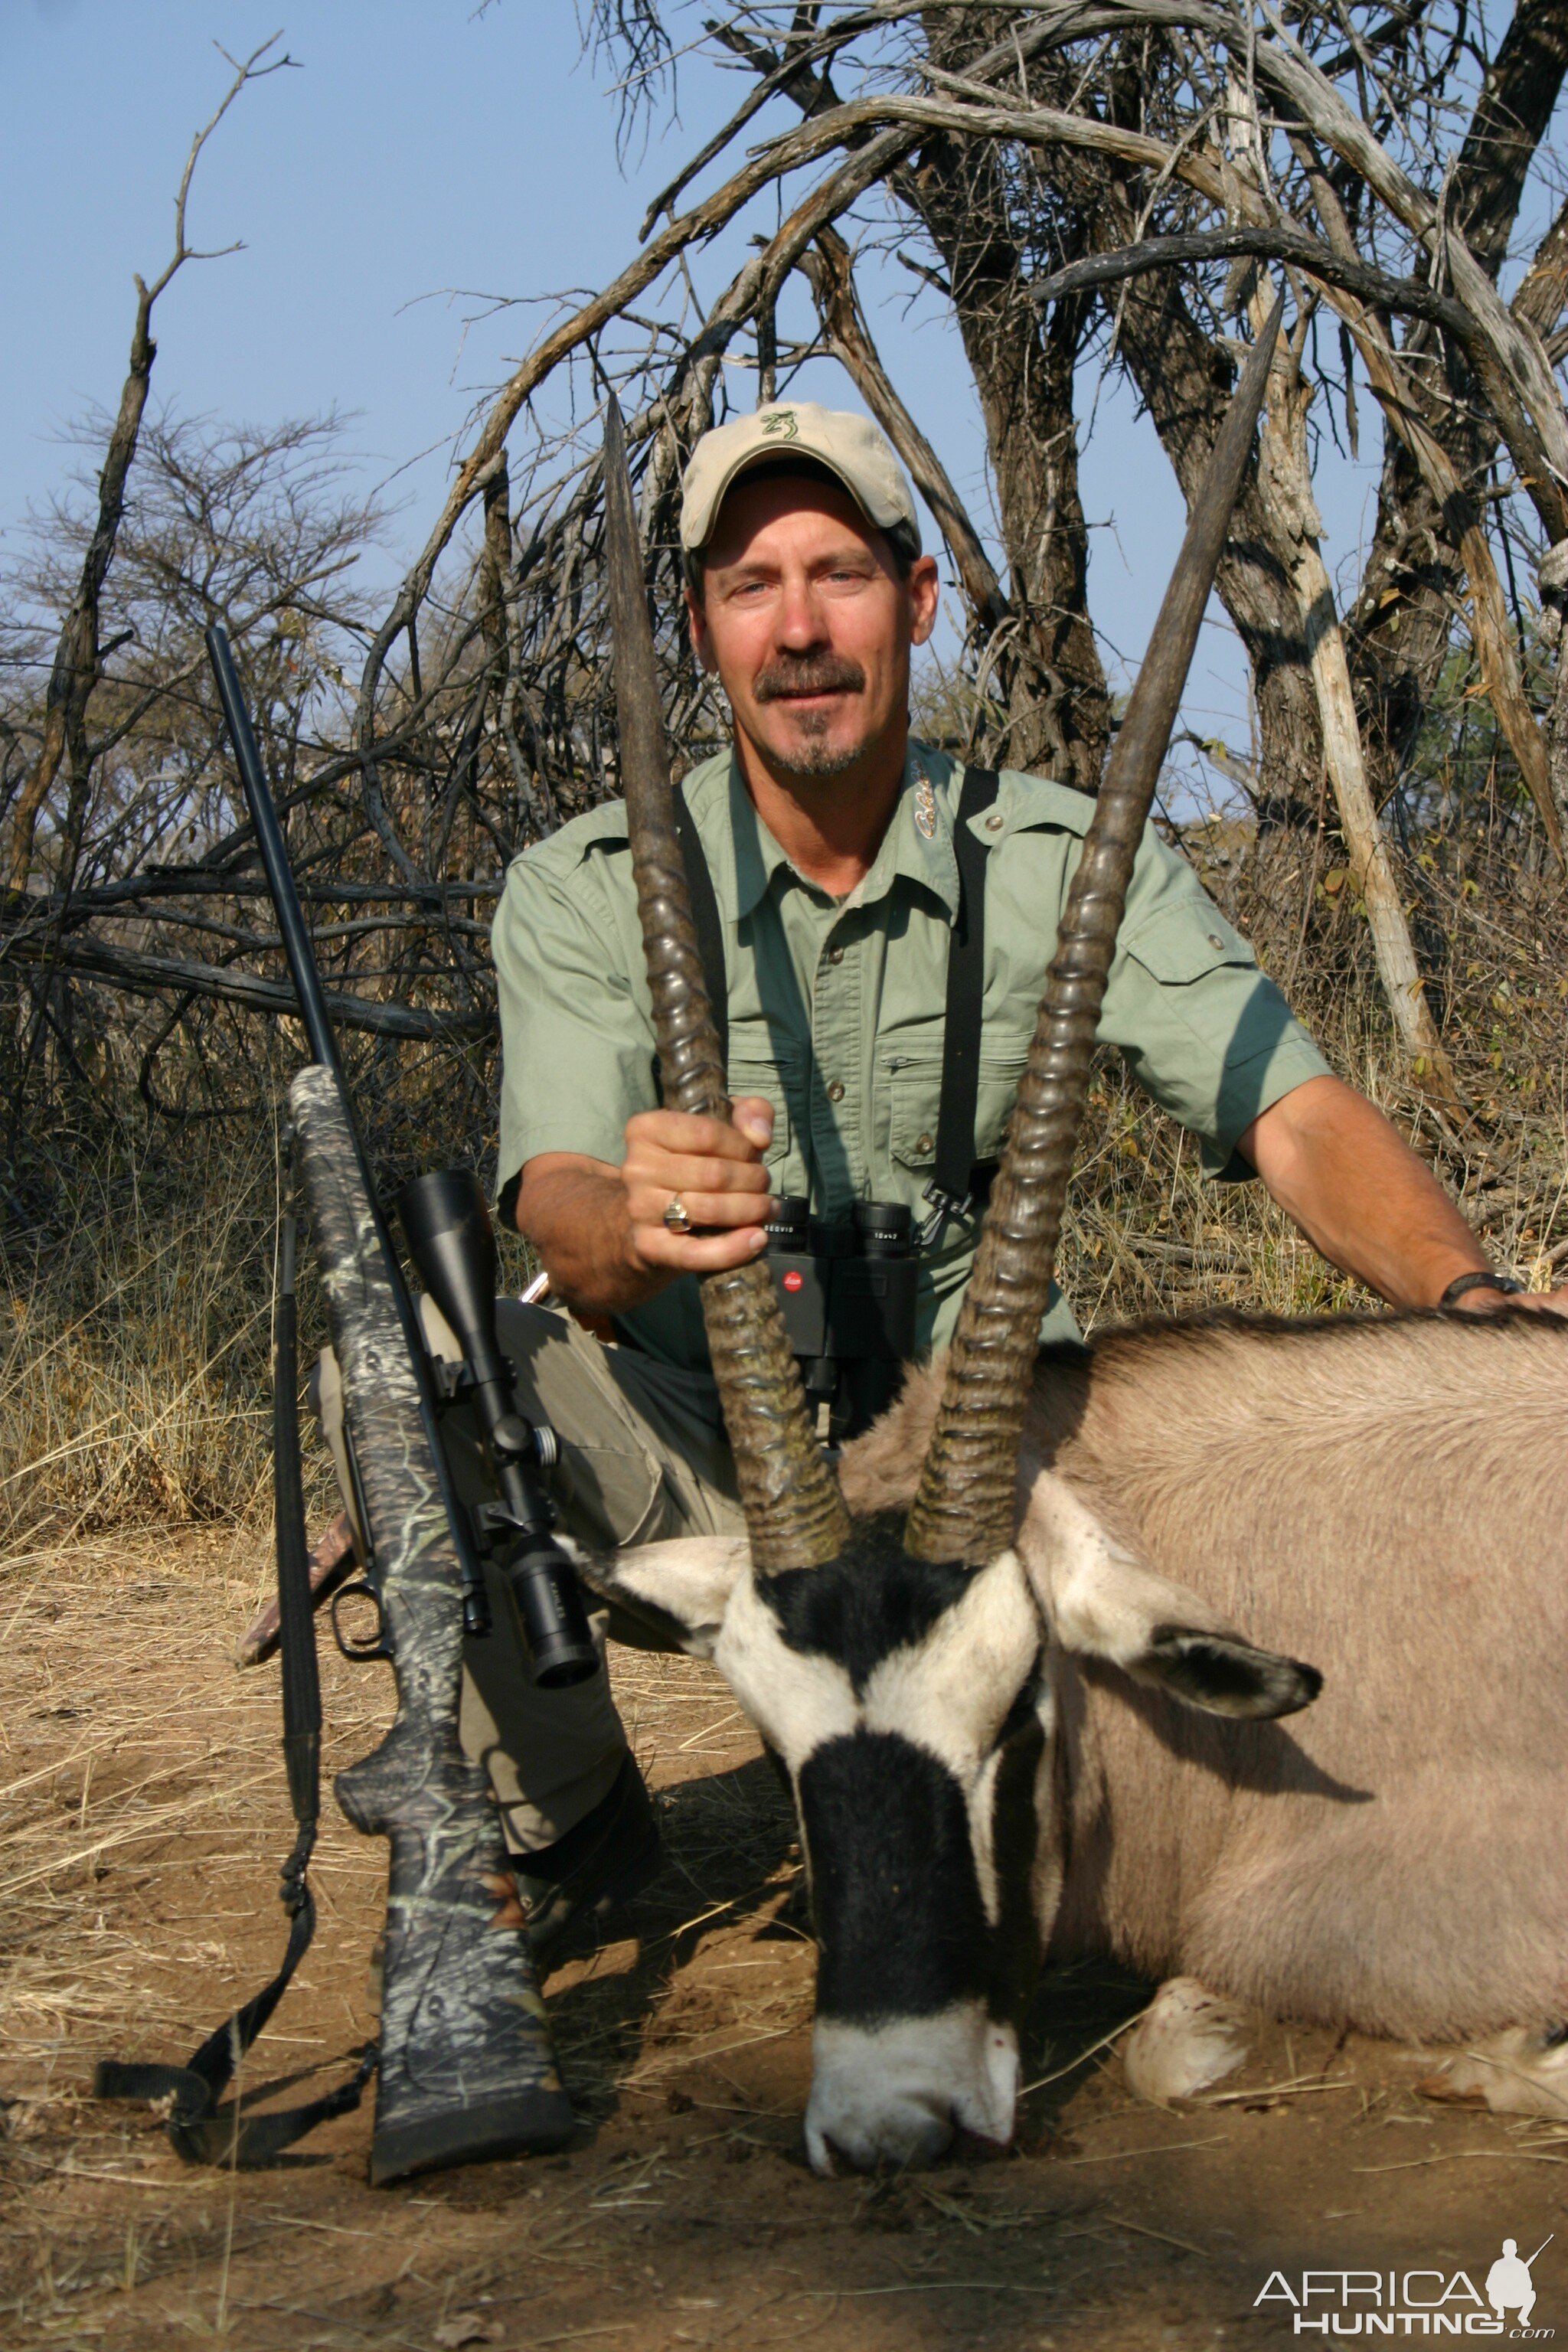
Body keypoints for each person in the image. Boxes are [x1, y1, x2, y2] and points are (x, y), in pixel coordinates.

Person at [318, 400, 1564, 1951]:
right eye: (749, 585)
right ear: (702, 629)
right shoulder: (583, 890)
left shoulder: (1061, 858)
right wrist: (630, 1225)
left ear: (915, 601)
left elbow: (1291, 1115)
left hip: (971, 1478)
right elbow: (561, 1210)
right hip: (710, 1472)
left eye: (837, 574)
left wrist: (1476, 1304)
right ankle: (563, 1832)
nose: (798, 630)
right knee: (420, 1359)